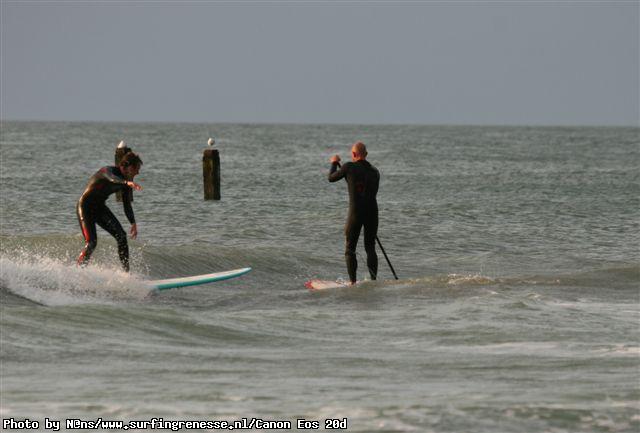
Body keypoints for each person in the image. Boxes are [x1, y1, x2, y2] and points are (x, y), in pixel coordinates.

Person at [76, 152, 143, 272]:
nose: (137, 172)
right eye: (136, 169)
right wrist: (126, 182)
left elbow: (127, 204)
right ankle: (78, 270)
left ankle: (126, 274)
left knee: (121, 236)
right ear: (127, 166)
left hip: (99, 208)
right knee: (92, 243)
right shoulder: (107, 171)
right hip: (85, 207)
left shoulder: (126, 183)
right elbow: (112, 179)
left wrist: (133, 223)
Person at [328, 141, 380, 284]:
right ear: (366, 154)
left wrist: (334, 162)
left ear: (353, 154)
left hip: (356, 213)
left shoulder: (348, 167)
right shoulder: (375, 171)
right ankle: (373, 281)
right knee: (370, 248)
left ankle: (353, 283)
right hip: (372, 212)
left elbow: (331, 178)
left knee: (350, 249)